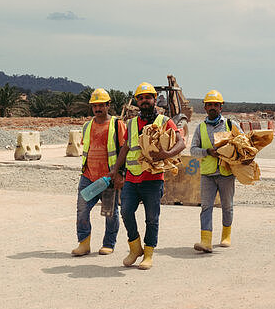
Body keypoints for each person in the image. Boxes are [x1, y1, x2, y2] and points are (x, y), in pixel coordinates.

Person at [111, 82, 186, 270]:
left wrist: (166, 155)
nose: (144, 101)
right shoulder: (131, 124)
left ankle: (149, 253)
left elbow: (181, 143)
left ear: (154, 100)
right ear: (137, 101)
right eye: (141, 98)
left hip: (153, 180)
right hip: (132, 178)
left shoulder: (164, 121)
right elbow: (126, 148)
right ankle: (135, 248)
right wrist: (116, 169)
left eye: (148, 98)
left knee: (152, 218)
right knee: (126, 212)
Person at [71, 88, 126, 256]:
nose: (97, 109)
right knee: (82, 209)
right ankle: (84, 243)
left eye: (101, 105)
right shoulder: (87, 126)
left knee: (110, 212)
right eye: (95, 106)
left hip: (109, 178)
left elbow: (124, 149)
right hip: (88, 177)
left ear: (108, 105)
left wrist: (120, 173)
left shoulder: (117, 125)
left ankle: (109, 243)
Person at [190, 89, 239, 253]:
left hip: (226, 173)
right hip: (208, 174)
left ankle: (226, 235)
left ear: (221, 107)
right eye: (209, 105)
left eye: (215, 105)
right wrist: (207, 152)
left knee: (227, 206)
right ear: (205, 108)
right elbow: (193, 150)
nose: (212, 107)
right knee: (206, 207)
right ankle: (206, 241)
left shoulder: (230, 125)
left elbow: (243, 144)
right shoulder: (200, 128)